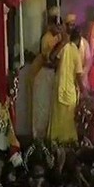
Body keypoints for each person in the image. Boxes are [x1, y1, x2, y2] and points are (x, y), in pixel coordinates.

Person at [48, 27, 86, 143]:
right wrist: (84, 91)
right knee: (69, 118)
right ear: (79, 40)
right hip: (69, 90)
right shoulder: (76, 52)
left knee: (58, 116)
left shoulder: (64, 48)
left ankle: (55, 140)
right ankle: (68, 141)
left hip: (58, 87)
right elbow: (79, 76)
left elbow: (52, 59)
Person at [31, 10, 63, 139]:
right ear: (51, 26)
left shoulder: (60, 37)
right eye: (56, 26)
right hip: (45, 75)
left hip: (54, 76)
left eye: (60, 26)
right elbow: (48, 60)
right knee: (42, 107)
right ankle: (39, 137)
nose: (59, 28)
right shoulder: (46, 38)